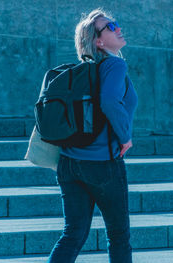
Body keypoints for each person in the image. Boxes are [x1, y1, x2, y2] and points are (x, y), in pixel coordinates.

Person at [47, 8, 138, 263]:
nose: (118, 28)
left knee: (72, 234)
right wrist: (125, 136)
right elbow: (109, 101)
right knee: (119, 236)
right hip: (102, 165)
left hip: (68, 164)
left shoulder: (82, 71)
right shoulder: (114, 65)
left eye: (116, 23)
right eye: (110, 26)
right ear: (99, 41)